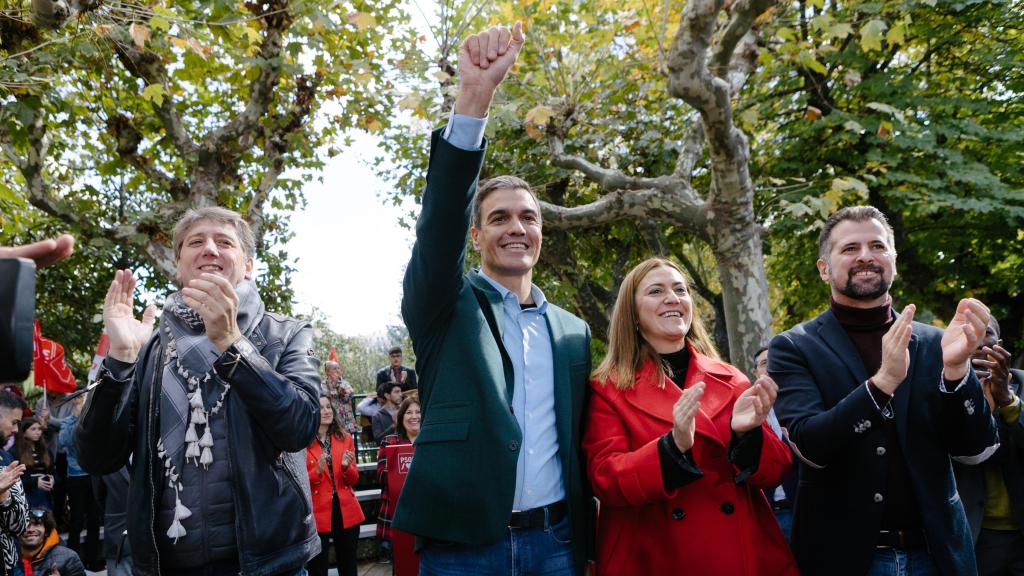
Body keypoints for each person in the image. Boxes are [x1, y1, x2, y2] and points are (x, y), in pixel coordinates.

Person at [393, 22, 593, 576]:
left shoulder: (574, 332)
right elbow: (438, 227)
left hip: (555, 543)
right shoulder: (444, 307)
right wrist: (474, 100)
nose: (516, 227)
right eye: (498, 217)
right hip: (464, 548)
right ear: (476, 236)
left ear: (541, 233)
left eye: (528, 217)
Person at [74, 206, 321, 576]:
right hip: (167, 566)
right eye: (195, 242)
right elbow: (97, 458)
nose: (209, 249)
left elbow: (299, 427)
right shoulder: (151, 350)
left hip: (266, 564)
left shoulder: (285, 334)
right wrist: (122, 358)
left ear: (248, 265)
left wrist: (231, 344)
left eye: (224, 242)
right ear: (178, 264)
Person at [769, 205, 999, 576]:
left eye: (877, 246)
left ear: (893, 259)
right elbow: (810, 446)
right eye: (849, 248)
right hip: (844, 558)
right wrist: (881, 385)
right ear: (824, 268)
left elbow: (977, 451)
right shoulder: (794, 346)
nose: (865, 256)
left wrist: (957, 372)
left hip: (938, 555)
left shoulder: (937, 342)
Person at [582, 258, 797, 575]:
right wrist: (671, 447)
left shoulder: (731, 378)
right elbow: (605, 478)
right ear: (633, 314)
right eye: (656, 291)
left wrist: (746, 436)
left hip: (738, 555)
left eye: (680, 289)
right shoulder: (607, 388)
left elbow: (777, 471)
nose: (672, 297)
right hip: (654, 554)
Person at [953, 317, 1024, 575]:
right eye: (968, 334)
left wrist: (1006, 397)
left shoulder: (1022, 383)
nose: (979, 341)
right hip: (975, 532)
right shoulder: (945, 390)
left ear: (1000, 343)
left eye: (987, 333)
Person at [305, 395, 363, 576]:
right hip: (318, 512)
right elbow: (299, 481)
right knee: (318, 568)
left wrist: (346, 468)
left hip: (346, 509)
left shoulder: (345, 438)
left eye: (329, 407)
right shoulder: (301, 441)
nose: (327, 411)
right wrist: (317, 471)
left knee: (348, 566)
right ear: (312, 412)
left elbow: (353, 480)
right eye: (321, 408)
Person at [754, 346, 797, 543]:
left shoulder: (802, 402)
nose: (770, 367)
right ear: (755, 373)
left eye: (775, 360)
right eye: (764, 363)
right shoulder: (749, 411)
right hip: (768, 512)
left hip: (805, 509)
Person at [57, 394, 101, 571]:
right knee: (76, 520)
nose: (83, 401)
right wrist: (76, 419)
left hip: (94, 475)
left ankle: (93, 558)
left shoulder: (94, 420)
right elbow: (64, 443)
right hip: (76, 476)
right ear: (75, 401)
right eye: (81, 398)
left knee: (94, 519)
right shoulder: (67, 422)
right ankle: (74, 561)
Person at [375, 397, 420, 566]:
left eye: (418, 412)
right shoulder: (390, 442)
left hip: (427, 513)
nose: (414, 416)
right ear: (401, 418)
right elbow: (381, 476)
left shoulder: (431, 442)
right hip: (396, 511)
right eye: (409, 412)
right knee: (403, 564)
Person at [0, 391, 28, 576]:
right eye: (14, 422)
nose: (17, 430)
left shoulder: (6, 459)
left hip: (9, 564)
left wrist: (4, 497)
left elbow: (21, 525)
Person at [19, 508, 85, 576]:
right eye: (25, 525)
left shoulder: (69, 558)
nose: (30, 529)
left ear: (46, 532)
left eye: (37, 524)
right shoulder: (9, 558)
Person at [13, 419, 54, 511]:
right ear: (23, 432)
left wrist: (53, 479)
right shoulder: (16, 452)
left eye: (39, 429)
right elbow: (15, 480)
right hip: (27, 495)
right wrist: (35, 482)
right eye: (33, 429)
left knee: (47, 523)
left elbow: (54, 473)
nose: (38, 432)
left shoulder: (45, 451)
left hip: (45, 494)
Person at [323, 361, 357, 434]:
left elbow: (349, 396)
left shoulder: (344, 383)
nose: (337, 370)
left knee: (347, 441)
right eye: (334, 368)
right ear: (327, 372)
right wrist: (330, 387)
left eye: (338, 368)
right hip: (332, 420)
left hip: (346, 419)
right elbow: (324, 399)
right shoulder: (322, 385)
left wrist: (338, 386)